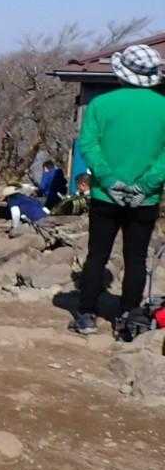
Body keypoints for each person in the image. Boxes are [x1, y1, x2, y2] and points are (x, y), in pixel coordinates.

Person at [69, 44, 165, 338]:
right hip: (145, 198)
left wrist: (109, 179)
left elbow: (88, 145)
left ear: (122, 74)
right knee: (136, 258)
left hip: (104, 195)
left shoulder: (101, 105)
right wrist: (145, 184)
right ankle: (128, 315)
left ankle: (86, 314)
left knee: (97, 254)